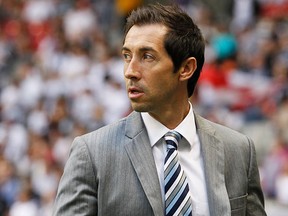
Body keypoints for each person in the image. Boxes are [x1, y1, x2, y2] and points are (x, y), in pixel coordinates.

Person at [53, 3, 266, 216]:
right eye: (127, 56)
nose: (130, 71)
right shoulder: (91, 154)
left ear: (186, 68)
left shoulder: (239, 151)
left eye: (147, 56)